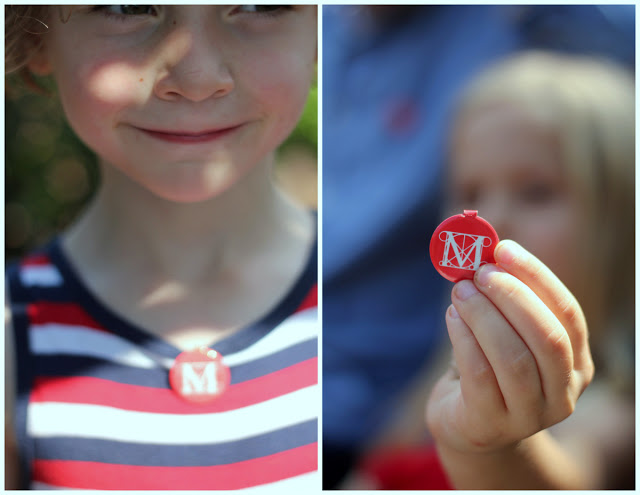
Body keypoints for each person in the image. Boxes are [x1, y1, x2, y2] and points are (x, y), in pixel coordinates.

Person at [5, 5, 318, 490]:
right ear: (35, 37)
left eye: (260, 3)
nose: (197, 78)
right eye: (127, 5)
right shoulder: (11, 338)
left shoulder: (379, 306)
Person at [321, 5, 634, 487]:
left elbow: (569, 479)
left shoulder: (615, 408)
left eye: (537, 191)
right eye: (471, 193)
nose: (491, 219)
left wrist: (494, 446)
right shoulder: (433, 375)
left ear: (619, 222)